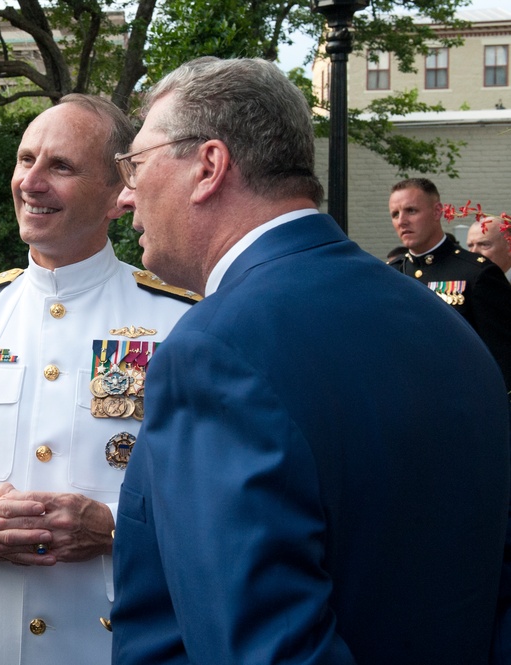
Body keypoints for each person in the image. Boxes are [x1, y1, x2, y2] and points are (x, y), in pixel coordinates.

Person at [110, 56, 509, 664]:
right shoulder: (446, 329)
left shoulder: (216, 350)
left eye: (135, 165)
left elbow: (260, 649)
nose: (123, 196)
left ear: (208, 167)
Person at [0, 94, 198, 665]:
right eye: (25, 159)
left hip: (119, 643)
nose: (31, 182)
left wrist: (112, 532)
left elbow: (210, 503)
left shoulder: (178, 320)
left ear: (118, 194)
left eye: (60, 166)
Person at [387, 178, 511, 391]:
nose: (402, 221)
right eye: (395, 214)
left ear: (437, 212)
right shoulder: (391, 274)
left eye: (411, 211)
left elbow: (503, 357)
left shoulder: (476, 273)